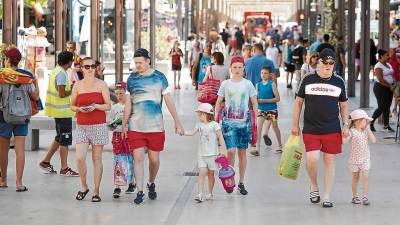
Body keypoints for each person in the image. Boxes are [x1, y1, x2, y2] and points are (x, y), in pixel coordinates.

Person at [121, 48, 184, 205]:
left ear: (148, 61)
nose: (138, 66)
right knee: (138, 158)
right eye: (136, 63)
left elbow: (168, 100)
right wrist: (123, 124)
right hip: (135, 126)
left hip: (155, 126)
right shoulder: (132, 79)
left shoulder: (159, 77)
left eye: (140, 63)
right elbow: (128, 104)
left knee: (154, 160)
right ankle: (140, 191)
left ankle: (151, 182)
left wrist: (177, 121)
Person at [292, 48, 349, 208]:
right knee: (312, 158)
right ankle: (314, 185)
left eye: (332, 63)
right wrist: (294, 124)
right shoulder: (307, 79)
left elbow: (344, 105)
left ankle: (327, 195)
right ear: (319, 62)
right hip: (311, 128)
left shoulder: (339, 81)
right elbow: (298, 102)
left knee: (329, 160)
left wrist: (346, 124)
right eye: (326, 62)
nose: (329, 65)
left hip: (332, 128)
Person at [215, 56, 258, 195]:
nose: (237, 70)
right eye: (235, 67)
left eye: (240, 67)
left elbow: (254, 102)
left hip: (243, 124)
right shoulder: (225, 84)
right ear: (231, 68)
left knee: (242, 153)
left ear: (243, 68)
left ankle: (241, 182)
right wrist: (216, 118)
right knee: (230, 152)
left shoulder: (248, 84)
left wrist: (255, 119)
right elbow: (218, 101)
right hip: (228, 124)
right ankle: (230, 178)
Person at [71, 57, 111, 202]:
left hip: (98, 125)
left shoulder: (101, 84)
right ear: (81, 68)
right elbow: (72, 106)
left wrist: (95, 106)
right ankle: (84, 186)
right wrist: (79, 109)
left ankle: (96, 191)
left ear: (96, 68)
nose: (90, 69)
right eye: (86, 67)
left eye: (92, 66)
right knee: (79, 158)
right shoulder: (77, 85)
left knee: (96, 159)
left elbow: (108, 105)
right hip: (82, 125)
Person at [0, 48, 40, 191]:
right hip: (23, 116)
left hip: (4, 117)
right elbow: (35, 96)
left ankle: (3, 179)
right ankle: (19, 183)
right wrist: (36, 83)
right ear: (19, 61)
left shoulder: (2, 75)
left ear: (7, 60)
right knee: (20, 150)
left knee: (3, 150)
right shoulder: (27, 76)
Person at [40, 51, 79, 176]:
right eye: (72, 60)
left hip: (57, 112)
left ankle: (45, 162)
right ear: (69, 62)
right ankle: (64, 168)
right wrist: (73, 90)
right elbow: (62, 93)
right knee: (65, 140)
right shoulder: (61, 74)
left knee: (59, 138)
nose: (72, 62)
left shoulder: (56, 71)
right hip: (63, 113)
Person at [183, 103, 226, 202]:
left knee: (211, 174)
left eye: (200, 113)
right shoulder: (199, 124)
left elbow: (221, 138)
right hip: (201, 154)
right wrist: (183, 132)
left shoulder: (215, 125)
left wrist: (222, 152)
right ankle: (200, 194)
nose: (198, 115)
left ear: (206, 114)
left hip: (213, 155)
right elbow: (191, 132)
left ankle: (210, 193)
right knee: (201, 173)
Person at [343, 109, 375, 206]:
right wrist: (345, 131)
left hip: (365, 159)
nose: (367, 123)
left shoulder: (366, 132)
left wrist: (369, 130)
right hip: (354, 160)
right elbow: (343, 142)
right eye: (365, 121)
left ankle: (365, 197)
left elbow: (373, 140)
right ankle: (354, 196)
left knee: (365, 178)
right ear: (357, 121)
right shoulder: (352, 132)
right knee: (355, 178)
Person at [109, 82, 135, 198]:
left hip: (129, 135)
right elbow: (110, 124)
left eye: (121, 93)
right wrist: (112, 124)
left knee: (130, 158)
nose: (119, 96)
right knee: (118, 159)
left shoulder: (131, 107)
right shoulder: (114, 108)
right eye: (117, 93)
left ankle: (131, 182)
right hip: (118, 136)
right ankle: (118, 186)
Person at [251, 67, 282, 156]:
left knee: (275, 127)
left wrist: (264, 101)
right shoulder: (258, 85)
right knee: (258, 128)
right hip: (261, 110)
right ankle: (257, 149)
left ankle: (280, 146)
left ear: (269, 75)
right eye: (262, 73)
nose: (263, 75)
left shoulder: (272, 84)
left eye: (265, 73)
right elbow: (256, 97)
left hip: (272, 110)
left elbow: (278, 98)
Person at [370, 49, 396, 132]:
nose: (389, 57)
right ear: (381, 56)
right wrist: (390, 86)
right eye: (387, 55)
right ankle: (371, 122)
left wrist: (394, 83)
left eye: (388, 55)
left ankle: (386, 125)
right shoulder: (378, 66)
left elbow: (392, 75)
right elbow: (380, 79)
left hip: (389, 87)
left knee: (387, 107)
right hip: (380, 88)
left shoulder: (388, 64)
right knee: (382, 107)